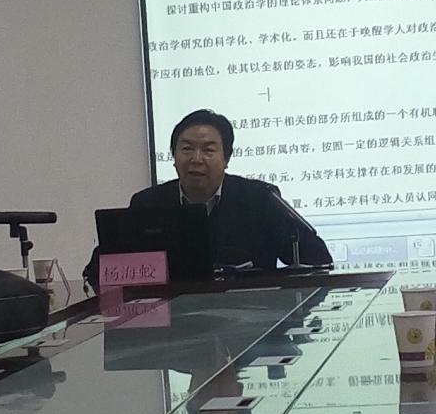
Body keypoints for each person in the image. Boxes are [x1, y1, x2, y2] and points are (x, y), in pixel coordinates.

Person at [84, 109, 331, 291]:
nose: (196, 159)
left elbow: (318, 260)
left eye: (208, 150)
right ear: (173, 157)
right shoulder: (148, 204)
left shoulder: (260, 199)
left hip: (248, 328)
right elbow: (101, 271)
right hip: (173, 331)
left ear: (226, 158)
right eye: (187, 149)